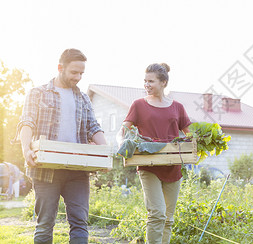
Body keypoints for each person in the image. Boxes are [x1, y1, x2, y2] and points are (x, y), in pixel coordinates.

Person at [17, 48, 107, 244]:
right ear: (60, 68)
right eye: (74, 72)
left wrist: (105, 154)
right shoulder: (37, 93)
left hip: (77, 170)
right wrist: (26, 149)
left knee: (80, 224)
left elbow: (93, 127)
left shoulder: (83, 98)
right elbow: (27, 122)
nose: (78, 77)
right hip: (45, 169)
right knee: (44, 224)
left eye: (81, 73)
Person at [118, 63, 191, 244]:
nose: (147, 85)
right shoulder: (139, 105)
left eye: (151, 81)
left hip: (173, 166)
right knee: (157, 213)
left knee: (168, 218)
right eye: (145, 81)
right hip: (148, 165)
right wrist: (121, 143)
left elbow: (191, 134)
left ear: (163, 83)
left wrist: (206, 140)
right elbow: (122, 131)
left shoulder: (178, 107)